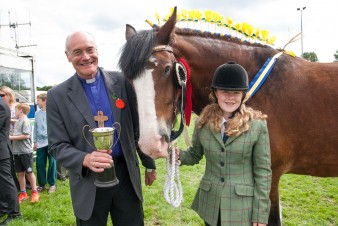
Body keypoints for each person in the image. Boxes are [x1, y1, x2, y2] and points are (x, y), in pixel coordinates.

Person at [46, 31, 156, 226]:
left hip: (125, 177)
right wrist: (85, 159)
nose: (86, 57)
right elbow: (57, 146)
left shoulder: (122, 82)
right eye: (78, 52)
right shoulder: (57, 95)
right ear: (68, 56)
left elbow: (136, 127)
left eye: (90, 50)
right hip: (88, 181)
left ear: (97, 50)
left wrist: (149, 163)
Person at [174, 62, 272, 226]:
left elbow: (263, 172)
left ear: (243, 95)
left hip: (241, 208)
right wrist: (178, 156)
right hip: (211, 205)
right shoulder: (202, 123)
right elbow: (194, 154)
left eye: (236, 92)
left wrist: (260, 215)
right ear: (215, 93)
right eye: (225, 91)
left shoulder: (257, 126)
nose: (230, 97)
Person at [9, 103, 40, 203]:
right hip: (16, 152)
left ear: (21, 110)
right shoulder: (18, 121)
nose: (14, 112)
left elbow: (26, 136)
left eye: (16, 110)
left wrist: (11, 137)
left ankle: (35, 192)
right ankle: (23, 193)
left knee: (29, 172)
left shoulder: (25, 121)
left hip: (25, 152)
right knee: (20, 173)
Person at [0, 96, 21, 225]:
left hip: (1, 151)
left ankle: (14, 213)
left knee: (6, 182)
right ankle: (3, 208)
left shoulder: (1, 105)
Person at [34, 93, 57, 193]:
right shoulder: (36, 113)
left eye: (38, 100)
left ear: (44, 101)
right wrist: (34, 141)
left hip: (51, 142)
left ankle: (52, 184)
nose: (37, 102)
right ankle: (42, 184)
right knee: (39, 164)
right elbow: (35, 128)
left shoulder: (53, 112)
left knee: (52, 163)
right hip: (40, 143)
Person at [0, 86, 20, 191]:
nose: (1, 97)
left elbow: (22, 119)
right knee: (10, 166)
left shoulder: (15, 106)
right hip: (7, 137)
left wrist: (12, 120)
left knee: (18, 161)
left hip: (15, 136)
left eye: (2, 95)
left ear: (9, 95)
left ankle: (23, 185)